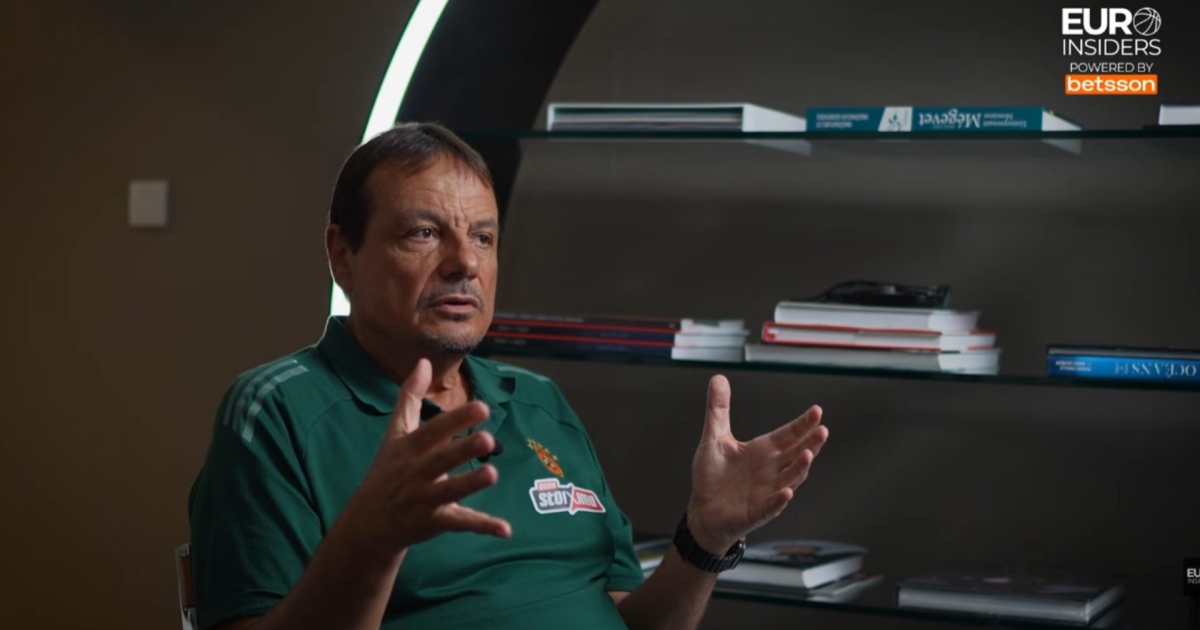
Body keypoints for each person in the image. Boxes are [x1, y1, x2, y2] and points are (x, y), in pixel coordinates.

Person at [187, 122, 829, 630]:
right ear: (343, 255)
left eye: (484, 238)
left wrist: (705, 538)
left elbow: (627, 618)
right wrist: (372, 539)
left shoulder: (539, 400)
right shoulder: (277, 411)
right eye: (424, 232)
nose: (464, 263)